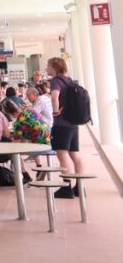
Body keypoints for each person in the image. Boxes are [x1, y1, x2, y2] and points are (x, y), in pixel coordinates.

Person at [47, 57, 85, 199]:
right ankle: (80, 187)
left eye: (48, 66)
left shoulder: (56, 81)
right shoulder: (69, 80)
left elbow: (54, 97)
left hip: (61, 123)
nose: (47, 69)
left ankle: (66, 187)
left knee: (62, 153)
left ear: (55, 67)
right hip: (73, 123)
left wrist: (56, 111)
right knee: (74, 153)